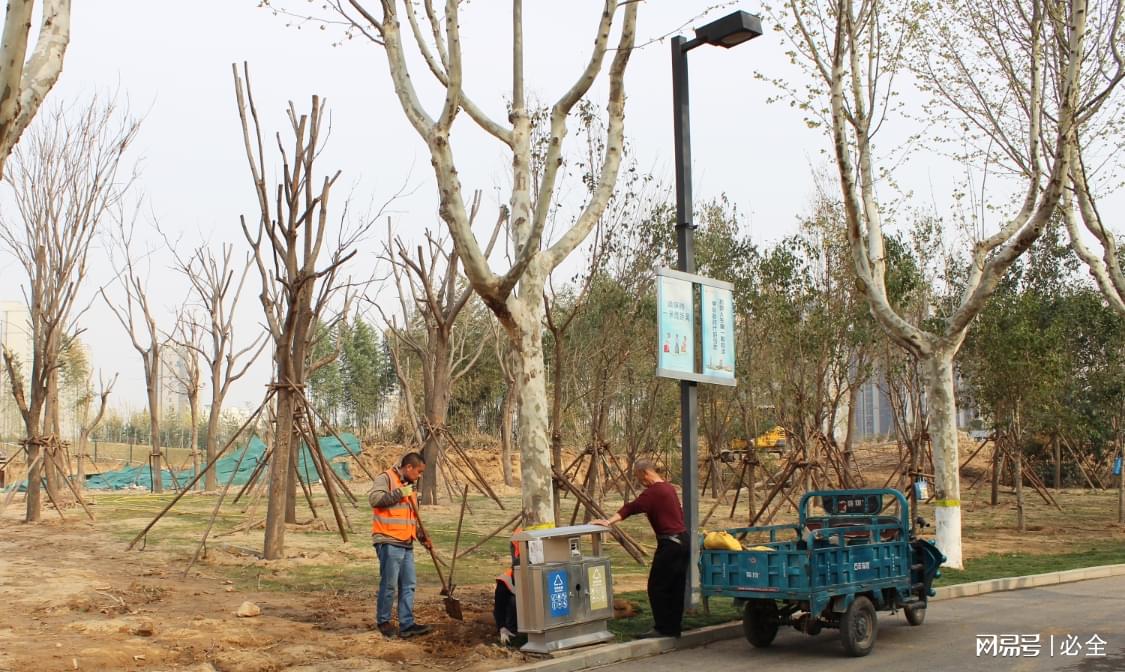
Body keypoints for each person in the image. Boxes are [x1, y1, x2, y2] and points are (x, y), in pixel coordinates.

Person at [591, 459, 688, 639]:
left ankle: (663, 628)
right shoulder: (669, 488)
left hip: (670, 544)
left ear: (645, 473)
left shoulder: (654, 492)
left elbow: (631, 507)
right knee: (676, 587)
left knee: (656, 587)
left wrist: (607, 522)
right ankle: (674, 628)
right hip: (682, 541)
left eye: (638, 476)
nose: (639, 481)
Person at [369, 452, 431, 639]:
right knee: (389, 585)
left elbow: (410, 518)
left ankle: (407, 624)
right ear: (409, 467)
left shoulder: (410, 487)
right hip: (388, 540)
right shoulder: (386, 478)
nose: (419, 476)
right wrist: (399, 493)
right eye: (418, 472)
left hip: (406, 541)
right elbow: (375, 500)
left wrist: (422, 537)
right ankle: (384, 622)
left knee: (409, 584)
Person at [493, 526, 522, 644]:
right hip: (514, 624)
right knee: (514, 601)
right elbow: (499, 607)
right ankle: (512, 632)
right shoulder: (505, 581)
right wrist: (502, 628)